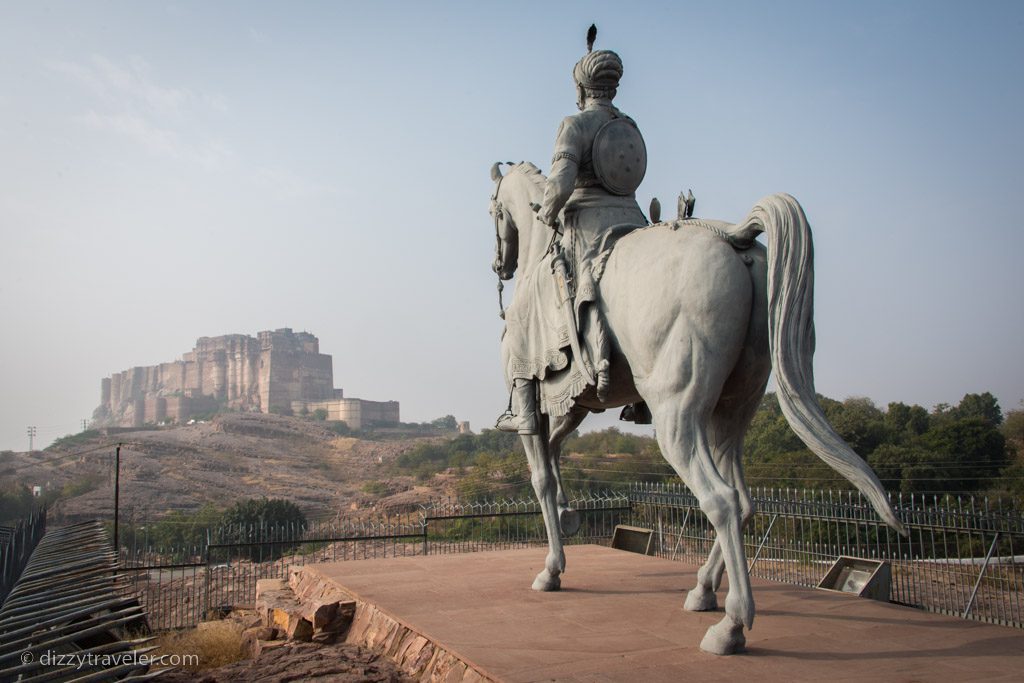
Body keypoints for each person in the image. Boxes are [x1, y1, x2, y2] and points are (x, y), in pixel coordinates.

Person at [497, 30, 649, 435]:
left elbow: (561, 184)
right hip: (634, 221)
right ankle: (640, 398)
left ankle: (524, 409)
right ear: (612, 87)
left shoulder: (574, 123)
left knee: (523, 310)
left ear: (581, 88)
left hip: (588, 227)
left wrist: (546, 211)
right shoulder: (630, 125)